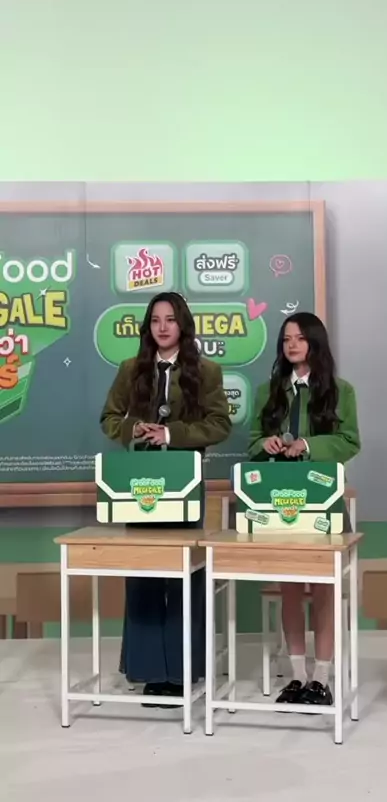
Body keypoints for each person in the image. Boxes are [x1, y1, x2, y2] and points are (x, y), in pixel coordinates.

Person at [100, 291, 231, 706]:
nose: (162, 327)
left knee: (184, 575)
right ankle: (150, 672)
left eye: (170, 319)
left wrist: (172, 434)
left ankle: (182, 670)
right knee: (144, 574)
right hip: (140, 487)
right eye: (155, 320)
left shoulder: (206, 371)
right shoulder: (130, 369)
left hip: (184, 483)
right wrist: (135, 429)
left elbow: (219, 425)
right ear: (148, 326)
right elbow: (109, 418)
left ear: (182, 325)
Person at [248, 312, 360, 706]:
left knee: (325, 589)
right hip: (281, 504)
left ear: (315, 342)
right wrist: (266, 444)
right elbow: (252, 442)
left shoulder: (340, 391)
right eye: (286, 339)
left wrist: (309, 446)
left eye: (298, 338)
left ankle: (322, 680)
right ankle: (297, 677)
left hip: (323, 500)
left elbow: (350, 442)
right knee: (291, 589)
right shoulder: (268, 392)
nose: (291, 345)